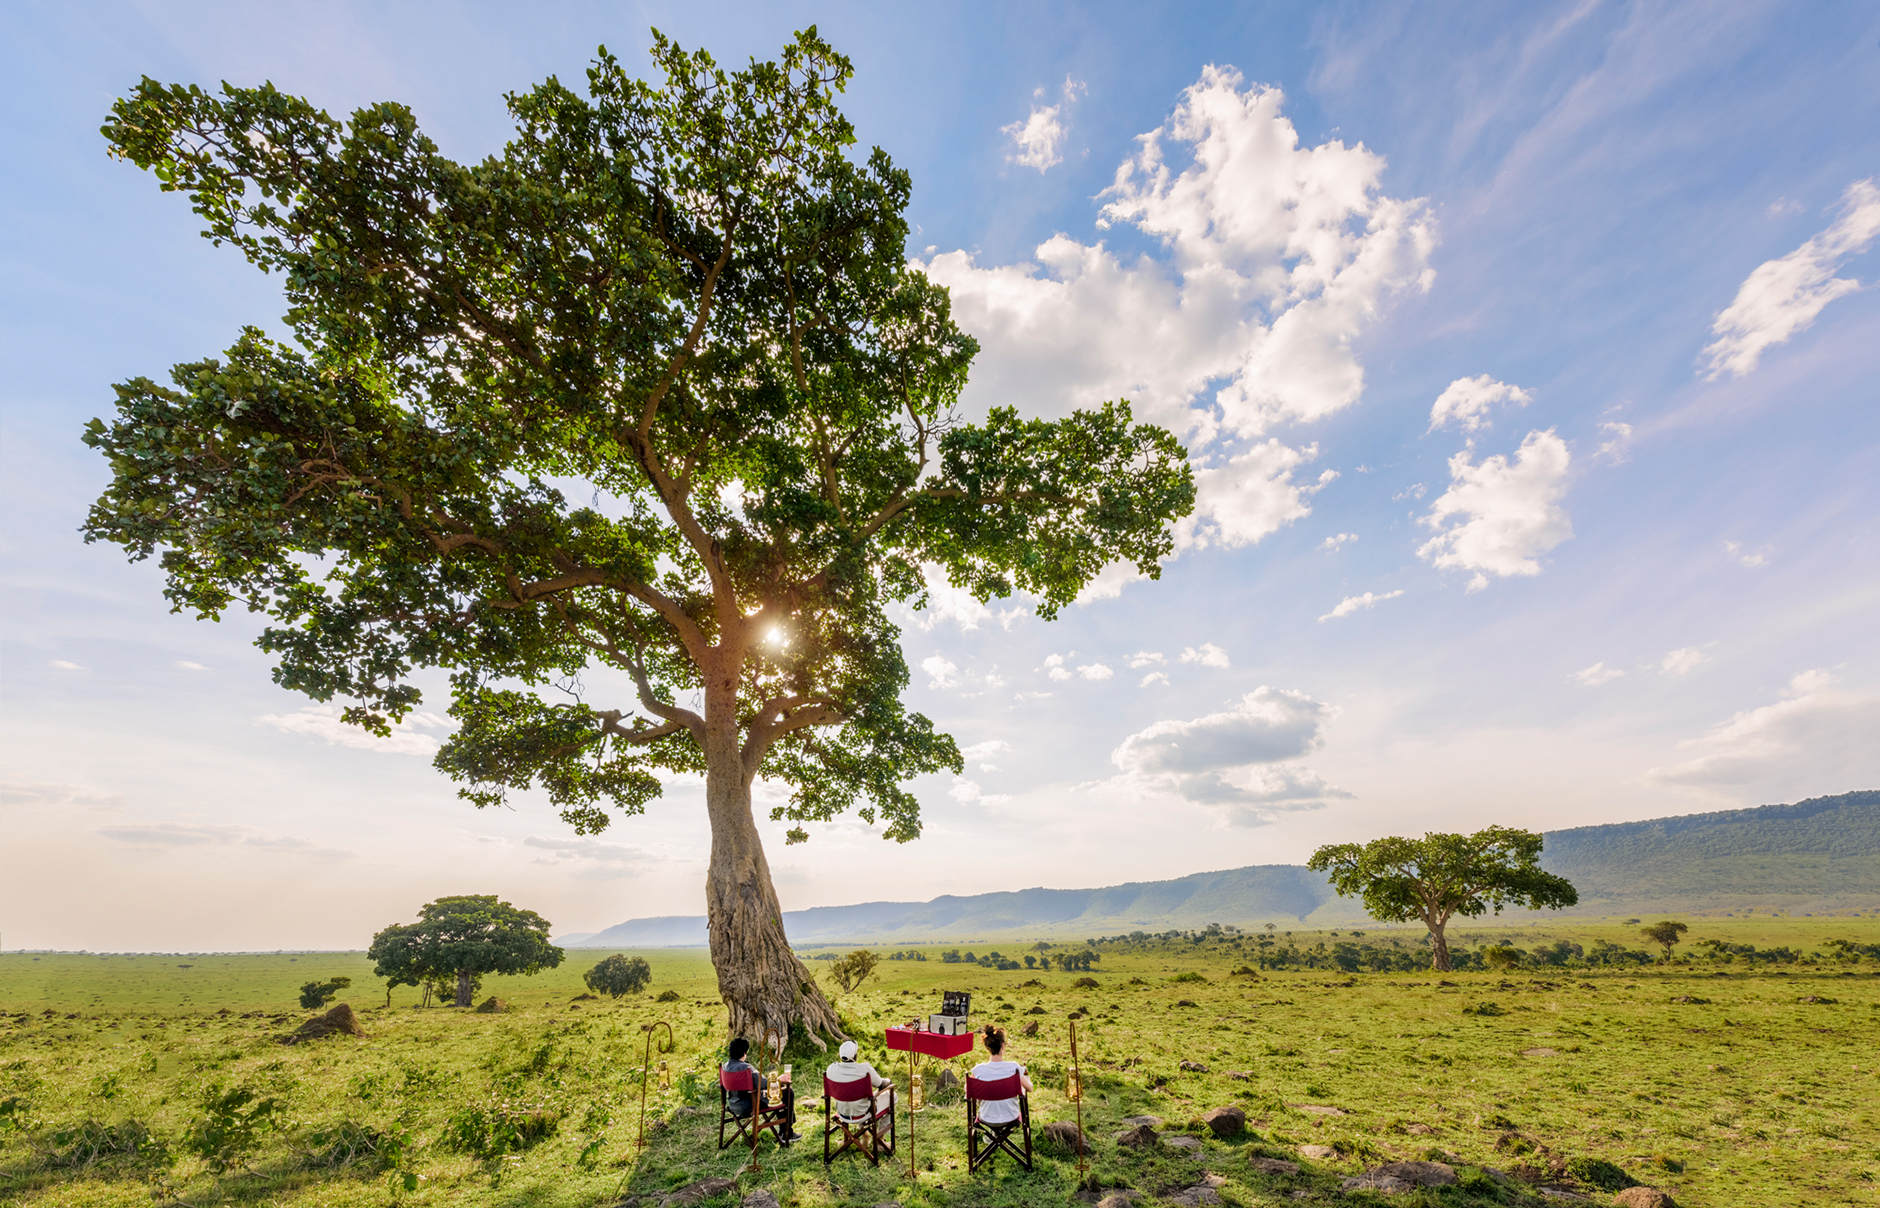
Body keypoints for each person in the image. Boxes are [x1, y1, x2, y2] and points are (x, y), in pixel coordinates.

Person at [723, 1037, 799, 1145]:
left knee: (775, 1095)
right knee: (786, 1092)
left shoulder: (725, 1067)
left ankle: (785, 1131)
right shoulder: (746, 1069)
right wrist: (779, 1080)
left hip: (733, 1105)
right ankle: (786, 1132)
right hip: (750, 1105)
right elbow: (763, 1084)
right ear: (745, 1053)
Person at [967, 1024, 1032, 1125]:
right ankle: (997, 1136)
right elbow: (1030, 1088)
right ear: (1002, 1046)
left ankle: (992, 1137)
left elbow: (968, 1090)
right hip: (1011, 1117)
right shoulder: (1014, 1068)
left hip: (986, 1117)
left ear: (987, 1048)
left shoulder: (979, 1070)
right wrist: (1027, 1079)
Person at [824, 1039, 894, 1130]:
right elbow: (880, 1084)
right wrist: (888, 1081)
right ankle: (880, 1139)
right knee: (892, 1095)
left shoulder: (831, 1069)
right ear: (855, 1055)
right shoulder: (864, 1069)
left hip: (842, 1113)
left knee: (861, 1099)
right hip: (864, 1113)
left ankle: (861, 1136)